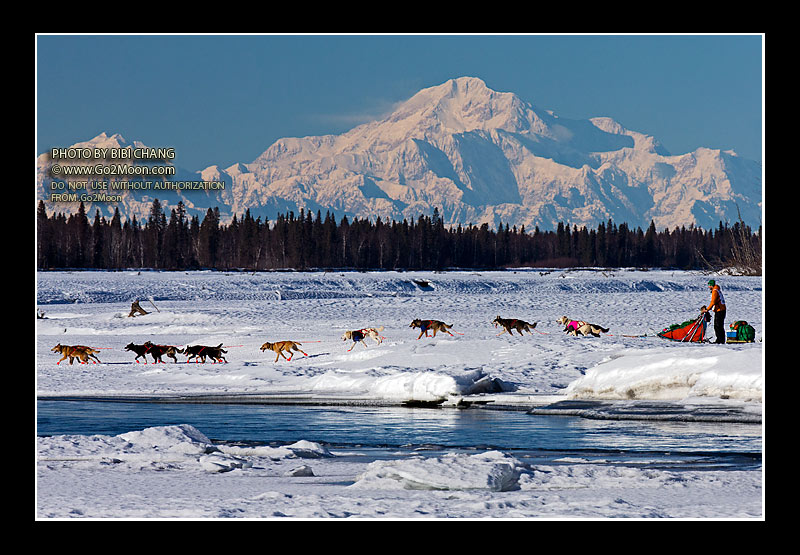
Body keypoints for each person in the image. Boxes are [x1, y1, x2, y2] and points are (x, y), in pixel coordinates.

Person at [702, 279, 726, 343]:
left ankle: (720, 340)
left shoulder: (715, 291)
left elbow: (713, 302)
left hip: (720, 310)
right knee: (719, 325)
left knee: (718, 326)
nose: (708, 287)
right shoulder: (717, 290)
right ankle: (721, 340)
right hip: (721, 310)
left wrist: (707, 309)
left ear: (711, 285)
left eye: (709, 285)